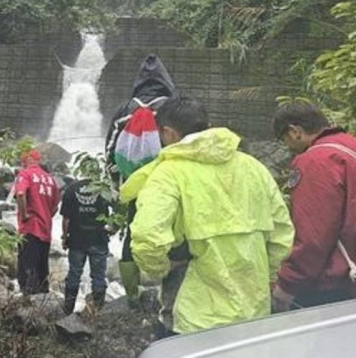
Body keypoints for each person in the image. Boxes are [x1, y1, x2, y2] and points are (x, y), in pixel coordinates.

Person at [121, 97, 293, 335]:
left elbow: (147, 238)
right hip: (252, 312)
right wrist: (268, 276)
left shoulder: (169, 172)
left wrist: (162, 269)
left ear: (168, 133)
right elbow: (282, 233)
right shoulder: (254, 167)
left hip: (193, 316)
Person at [104, 54, 177, 306]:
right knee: (174, 234)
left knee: (133, 233)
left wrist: (118, 183)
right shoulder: (173, 107)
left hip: (135, 184)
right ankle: (168, 294)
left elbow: (110, 149)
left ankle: (132, 295)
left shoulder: (125, 109)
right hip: (170, 182)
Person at [271, 101, 356, 311]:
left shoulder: (316, 161)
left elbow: (313, 235)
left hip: (335, 284)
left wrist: (287, 284)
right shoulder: (350, 146)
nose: (288, 147)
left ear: (295, 131)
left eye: (285, 139)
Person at [61, 175, 113, 313]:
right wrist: (113, 230)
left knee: (74, 274)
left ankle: (68, 311)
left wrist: (65, 237)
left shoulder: (71, 190)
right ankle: (98, 311)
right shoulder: (104, 190)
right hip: (98, 239)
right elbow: (117, 211)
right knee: (98, 276)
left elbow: (66, 218)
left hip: (77, 240)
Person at [14, 149, 61, 294]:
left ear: (24, 162)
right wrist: (45, 216)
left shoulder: (25, 174)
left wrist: (24, 215)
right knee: (42, 270)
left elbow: (21, 194)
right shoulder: (50, 179)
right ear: (38, 161)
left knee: (27, 268)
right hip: (45, 230)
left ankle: (28, 302)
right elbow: (55, 207)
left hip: (30, 228)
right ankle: (43, 302)